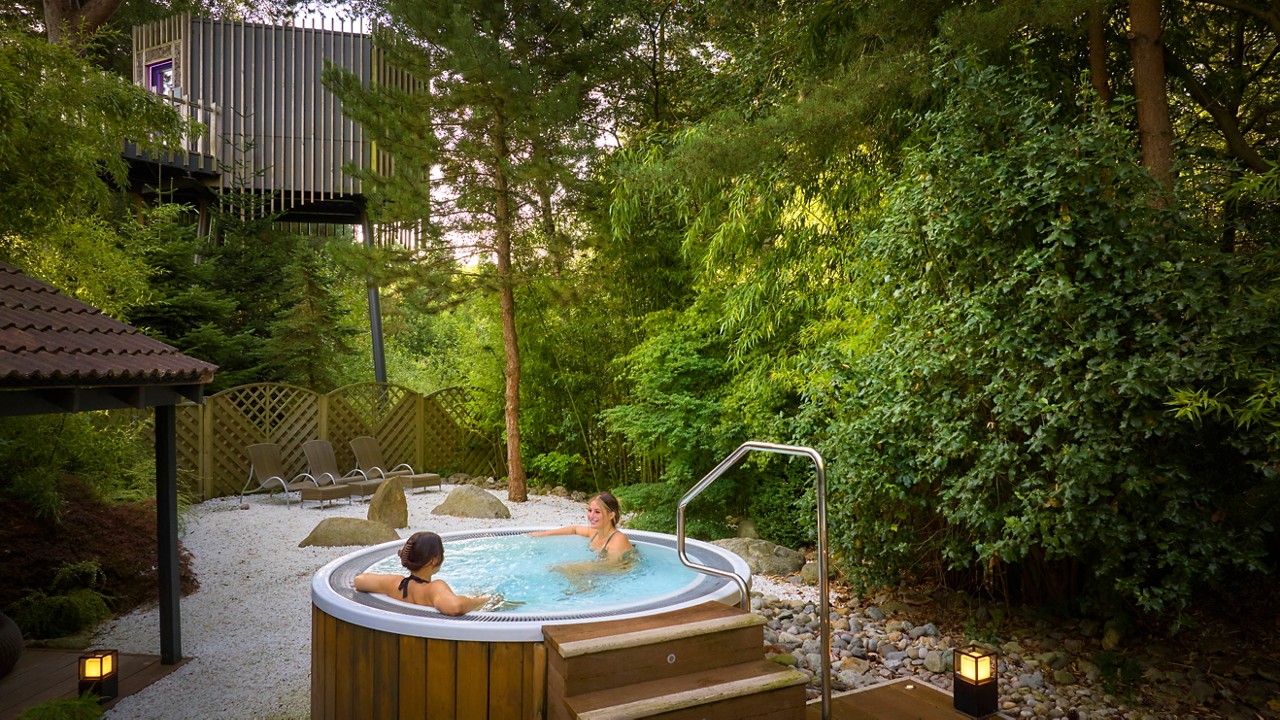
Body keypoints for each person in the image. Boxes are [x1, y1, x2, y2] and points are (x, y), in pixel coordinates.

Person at [354, 531, 489, 615]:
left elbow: (360, 580)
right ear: (434, 560)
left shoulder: (395, 583)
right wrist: (479, 601)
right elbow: (455, 607)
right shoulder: (434, 588)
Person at [530, 491, 636, 563]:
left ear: (611, 515)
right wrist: (542, 534)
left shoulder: (618, 540)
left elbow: (612, 568)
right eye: (590, 511)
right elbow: (574, 529)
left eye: (597, 512)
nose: (591, 516)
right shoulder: (594, 533)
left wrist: (577, 568)